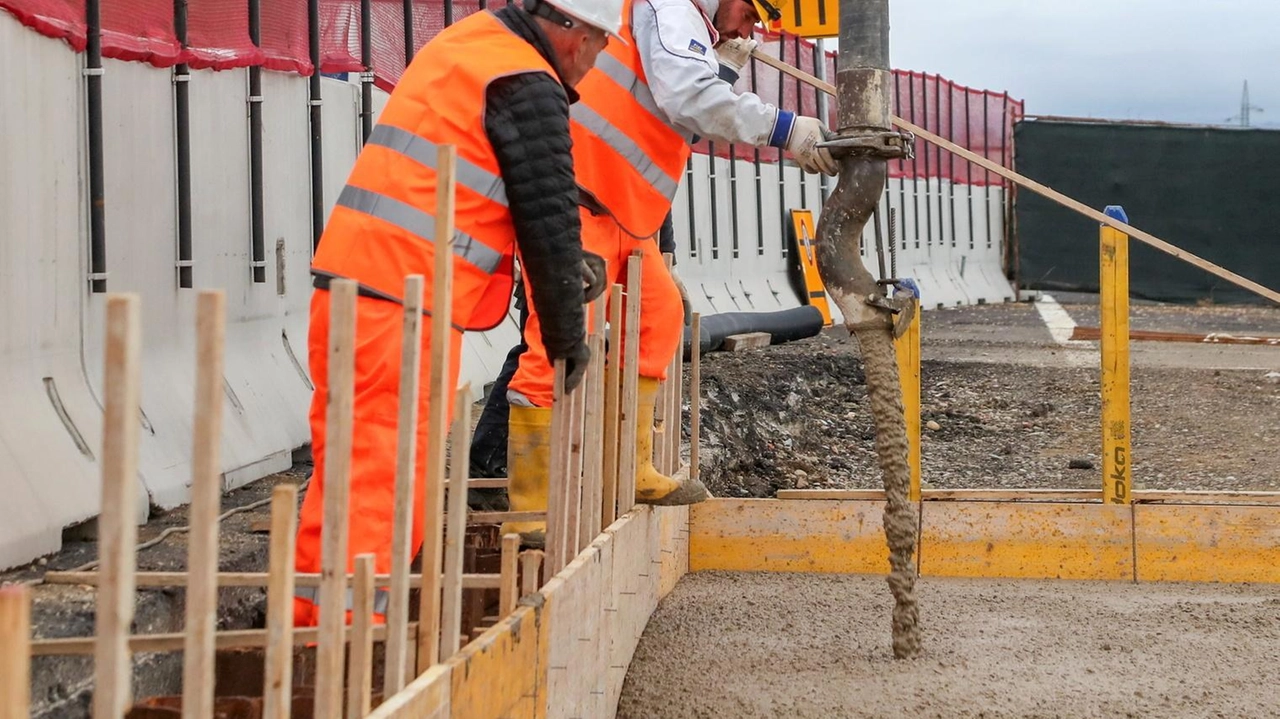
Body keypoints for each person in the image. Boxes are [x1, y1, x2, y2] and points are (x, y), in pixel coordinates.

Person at [291, 0, 624, 626]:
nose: (598, 60)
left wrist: (564, 261)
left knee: (358, 478)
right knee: (384, 488)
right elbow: (546, 218)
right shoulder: (526, 80)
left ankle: (323, 636)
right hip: (401, 304)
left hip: (365, 291)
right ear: (572, 30)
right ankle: (339, 651)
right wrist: (566, 340)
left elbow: (510, 198)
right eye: (602, 43)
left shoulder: (475, 45)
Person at [498, 0, 839, 545]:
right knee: (556, 343)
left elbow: (674, 114)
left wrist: (723, 68)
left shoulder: (685, 23)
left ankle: (632, 467)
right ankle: (532, 507)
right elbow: (689, 100)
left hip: (620, 205)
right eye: (753, 15)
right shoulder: (670, 6)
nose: (751, 29)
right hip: (576, 195)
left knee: (659, 317)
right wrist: (787, 128)